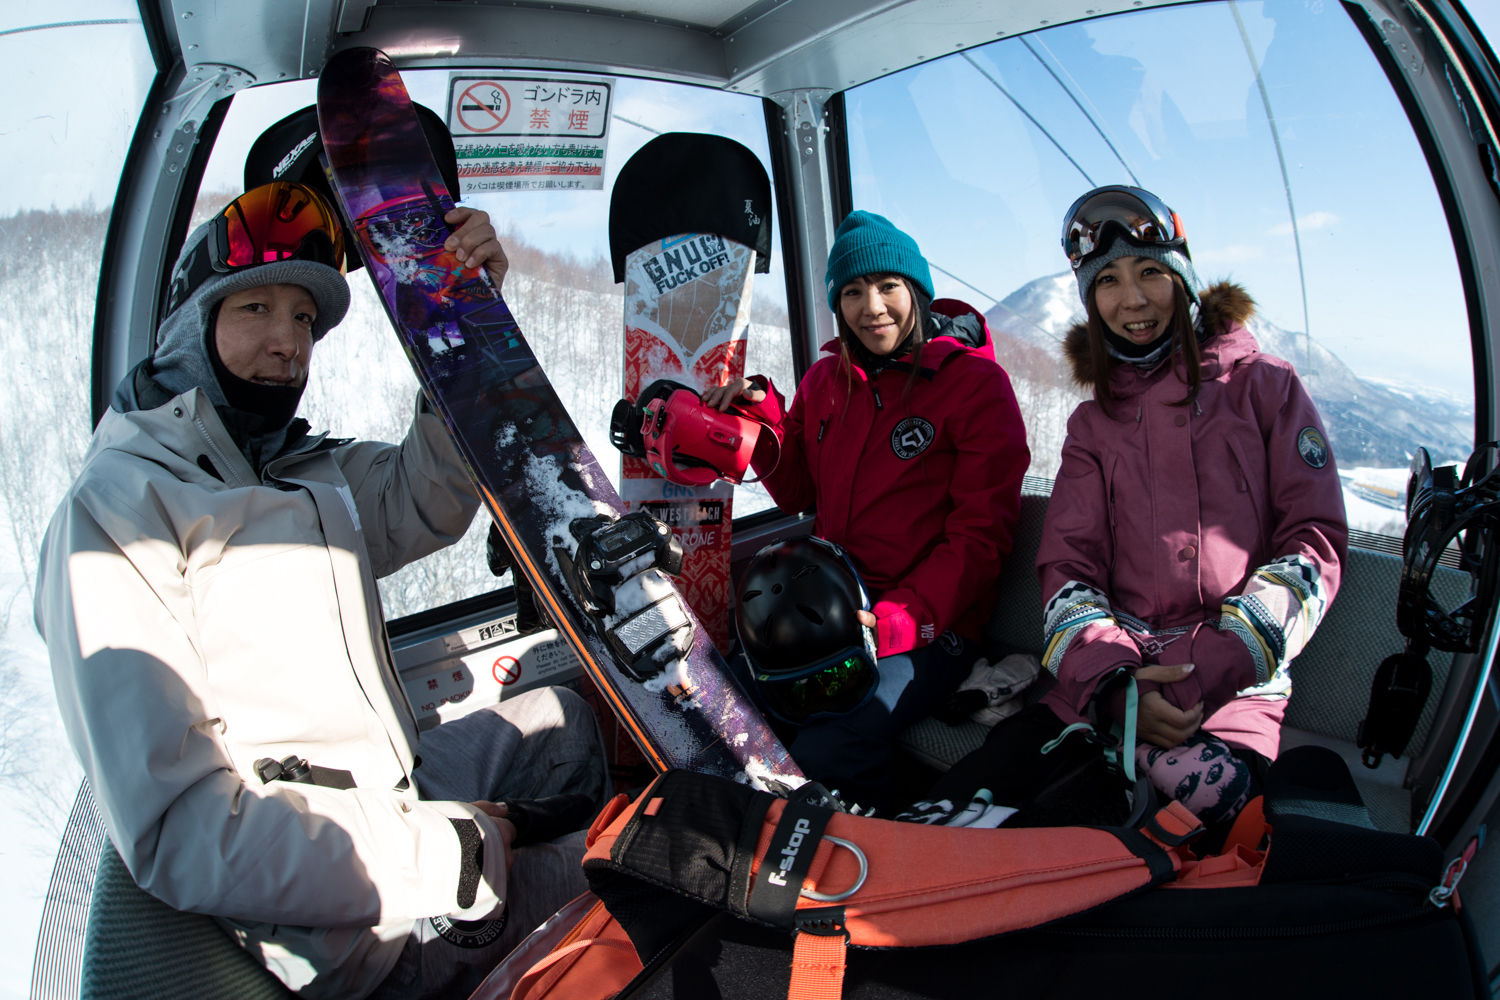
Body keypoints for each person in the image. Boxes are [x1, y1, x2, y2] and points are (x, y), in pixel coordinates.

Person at [34, 181, 608, 1000]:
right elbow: (180, 830)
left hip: (392, 793)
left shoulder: (295, 473)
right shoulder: (120, 515)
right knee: (626, 884)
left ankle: (551, 857)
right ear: (190, 325)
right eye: (255, 309)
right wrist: (454, 852)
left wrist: (460, 324)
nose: (287, 343)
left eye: (304, 318)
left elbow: (422, 498)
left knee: (566, 724)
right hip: (342, 922)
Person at [916, 186, 1347, 833]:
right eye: (1108, 281)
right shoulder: (1095, 424)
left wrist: (1209, 669)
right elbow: (1069, 566)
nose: (1133, 300)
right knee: (953, 822)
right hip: (1099, 692)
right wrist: (1115, 684)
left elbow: (1313, 544)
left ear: (1183, 277)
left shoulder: (1265, 388)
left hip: (1229, 701)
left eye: (1150, 271)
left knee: (1114, 860)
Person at [703, 210, 1030, 811]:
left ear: (917, 292)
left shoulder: (975, 386)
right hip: (829, 607)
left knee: (831, 746)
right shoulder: (826, 381)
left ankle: (871, 849)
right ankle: (740, 829)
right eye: (852, 292)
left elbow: (980, 537)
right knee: (728, 703)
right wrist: (761, 422)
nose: (871, 307)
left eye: (887, 286)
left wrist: (902, 619)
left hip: (933, 625)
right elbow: (798, 492)